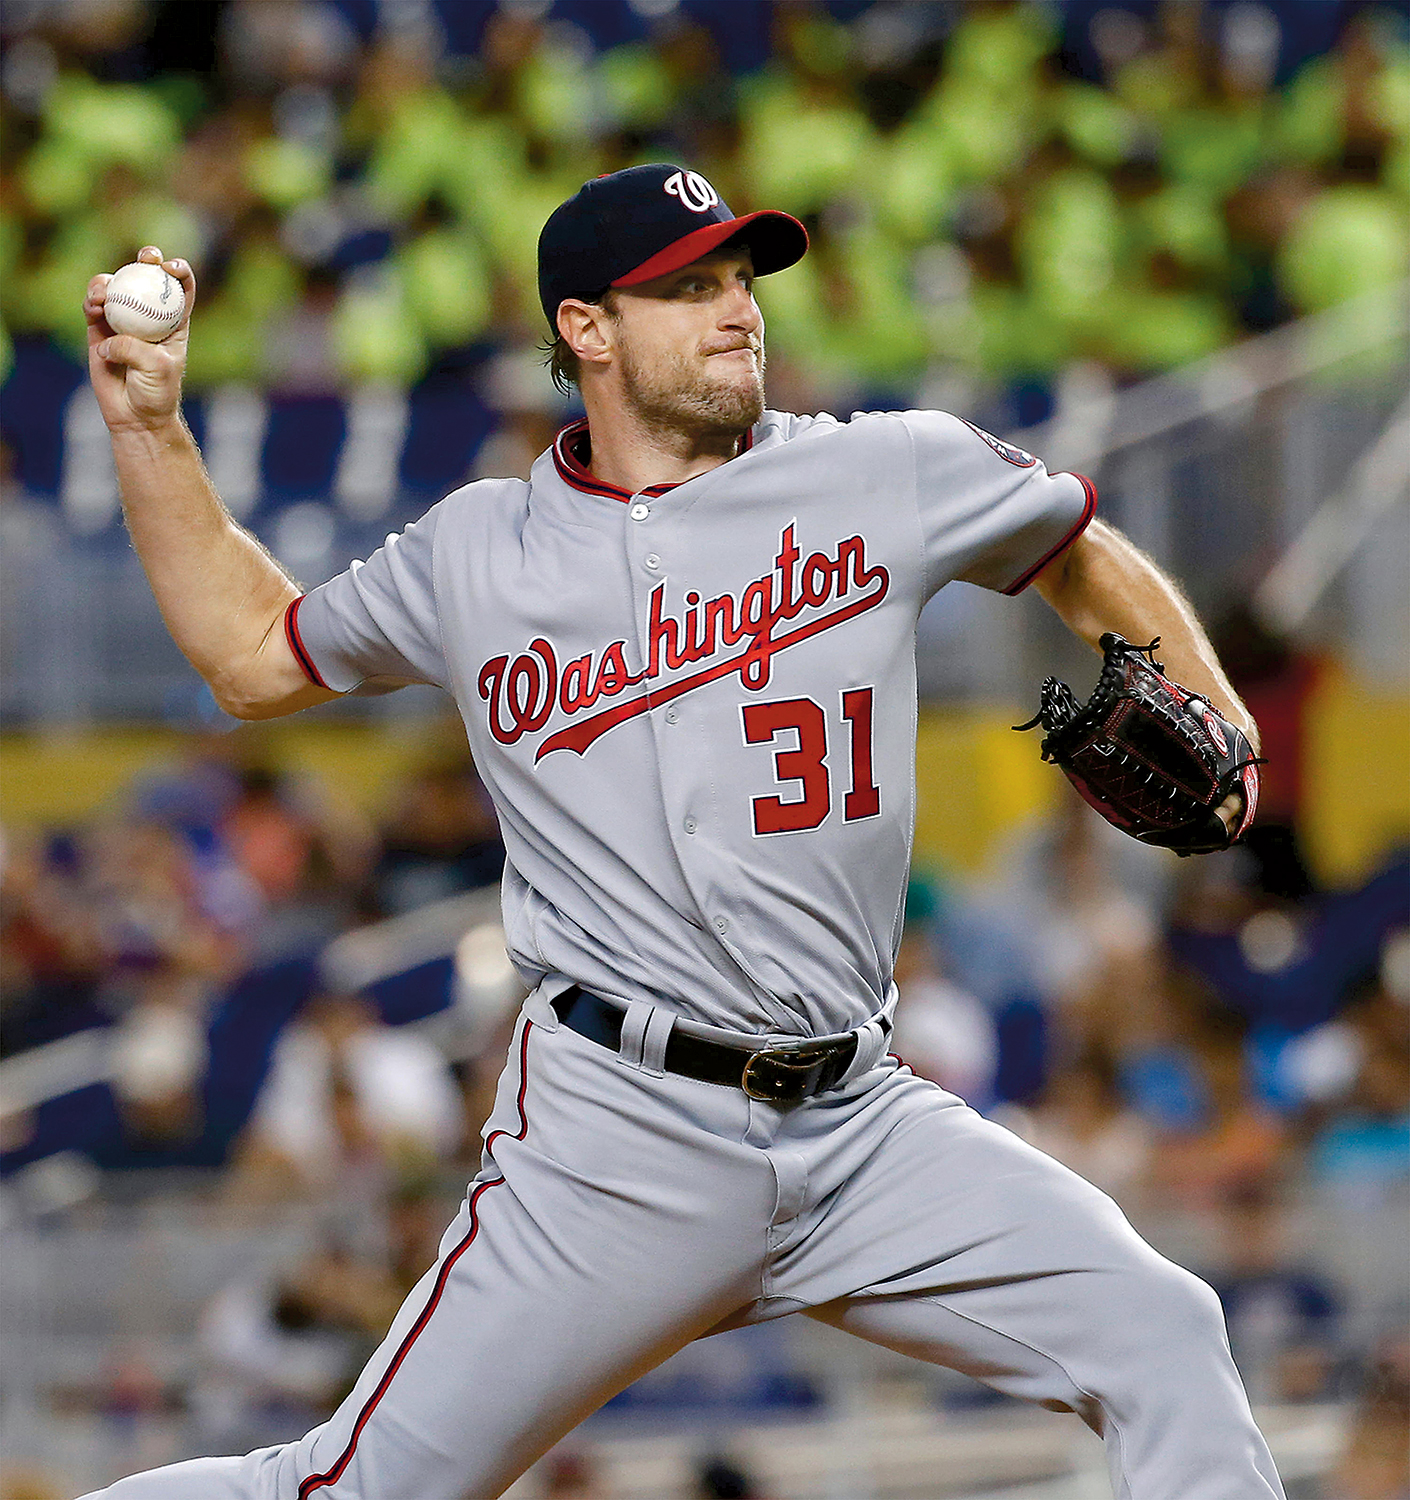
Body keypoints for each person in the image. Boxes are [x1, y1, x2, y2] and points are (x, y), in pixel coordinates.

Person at [79, 164, 1283, 1500]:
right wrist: (148, 429)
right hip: (617, 1137)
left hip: (861, 1123)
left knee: (1165, 1334)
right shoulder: (478, 551)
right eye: (688, 286)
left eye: (740, 281)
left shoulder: (885, 469)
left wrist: (1222, 729)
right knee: (350, 1491)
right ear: (586, 329)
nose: (736, 313)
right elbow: (254, 654)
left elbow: (1071, 545)